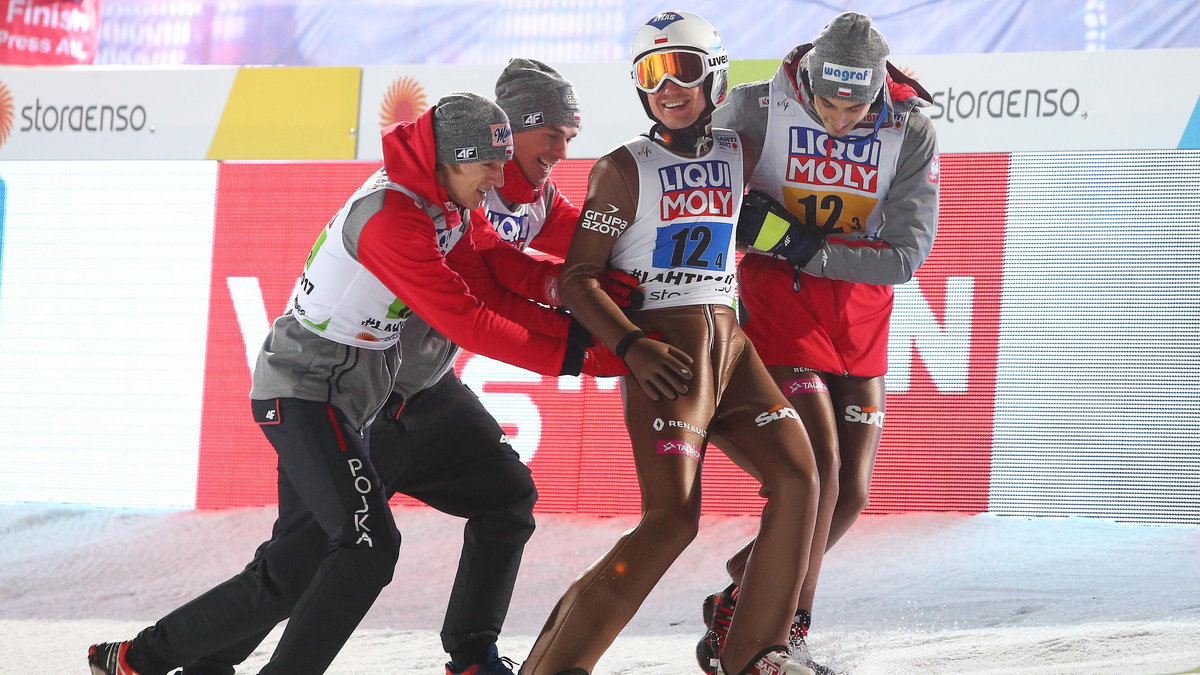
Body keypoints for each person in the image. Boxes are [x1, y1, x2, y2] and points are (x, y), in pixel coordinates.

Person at [87, 90, 625, 675]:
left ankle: (140, 659)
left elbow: (495, 280)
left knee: (296, 565)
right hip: (307, 390)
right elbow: (467, 317)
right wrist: (591, 354)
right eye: (488, 165)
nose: (497, 179)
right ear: (451, 158)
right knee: (366, 549)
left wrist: (591, 327)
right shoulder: (394, 217)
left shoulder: (444, 200)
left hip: (348, 392)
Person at [519, 11, 821, 675]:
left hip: (730, 342)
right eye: (650, 73)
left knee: (800, 477)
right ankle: (555, 665)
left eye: (681, 67)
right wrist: (631, 346)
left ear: (714, 75)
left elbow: (794, 113)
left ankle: (755, 653)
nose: (667, 85)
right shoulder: (622, 167)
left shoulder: (738, 150)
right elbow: (575, 280)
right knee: (671, 520)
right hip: (667, 348)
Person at [696, 11, 940, 674]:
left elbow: (905, 256)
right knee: (820, 472)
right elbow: (690, 188)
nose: (838, 119)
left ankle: (744, 591)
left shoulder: (909, 128)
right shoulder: (756, 106)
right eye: (827, 104)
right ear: (807, 80)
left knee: (851, 494)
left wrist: (800, 245)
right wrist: (730, 220)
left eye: (854, 107)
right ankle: (779, 632)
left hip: (861, 322)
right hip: (780, 315)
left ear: (879, 93)